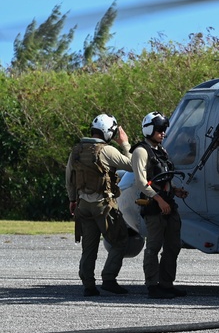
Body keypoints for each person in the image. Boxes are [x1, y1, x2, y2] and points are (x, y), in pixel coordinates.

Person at [65, 114, 134, 296]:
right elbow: (133, 165)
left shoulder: (76, 150)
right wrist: (125, 143)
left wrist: (72, 199)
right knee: (120, 241)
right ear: (108, 132)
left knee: (89, 247)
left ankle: (88, 285)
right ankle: (109, 278)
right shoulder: (107, 150)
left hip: (83, 206)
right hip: (103, 206)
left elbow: (69, 178)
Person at [131, 111, 189, 299]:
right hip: (153, 206)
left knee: (173, 245)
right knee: (154, 246)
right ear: (149, 130)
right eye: (160, 130)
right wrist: (159, 199)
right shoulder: (141, 151)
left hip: (168, 203)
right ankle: (152, 285)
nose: (163, 133)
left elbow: (163, 178)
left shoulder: (161, 151)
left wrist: (175, 191)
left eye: (164, 130)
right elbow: (141, 182)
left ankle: (166, 283)